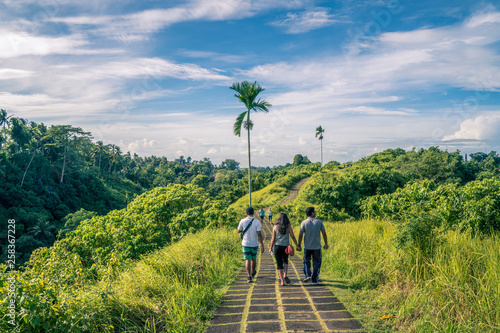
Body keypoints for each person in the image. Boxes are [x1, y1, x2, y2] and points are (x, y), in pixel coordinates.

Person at [298, 207, 329, 286]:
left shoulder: (304, 222)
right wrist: (326, 243)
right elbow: (324, 233)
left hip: (307, 247)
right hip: (317, 247)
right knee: (317, 263)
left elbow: (301, 235)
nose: (315, 212)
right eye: (314, 211)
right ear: (312, 213)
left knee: (306, 261)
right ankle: (314, 280)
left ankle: (308, 275)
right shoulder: (319, 222)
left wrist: (299, 245)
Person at [269, 213, 300, 286]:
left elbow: (273, 239)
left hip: (277, 247)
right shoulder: (288, 226)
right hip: (286, 247)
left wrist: (270, 248)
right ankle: (285, 274)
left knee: (279, 264)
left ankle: (282, 281)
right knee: (285, 261)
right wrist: (297, 245)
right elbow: (292, 236)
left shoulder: (275, 226)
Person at [238, 207, 264, 283]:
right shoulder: (257, 222)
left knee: (247, 260)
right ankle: (253, 272)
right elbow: (259, 234)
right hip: (254, 243)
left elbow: (238, 230)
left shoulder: (242, 221)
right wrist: (262, 245)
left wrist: (243, 229)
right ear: (253, 213)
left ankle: (249, 276)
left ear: (246, 213)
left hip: (245, 243)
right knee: (253, 259)